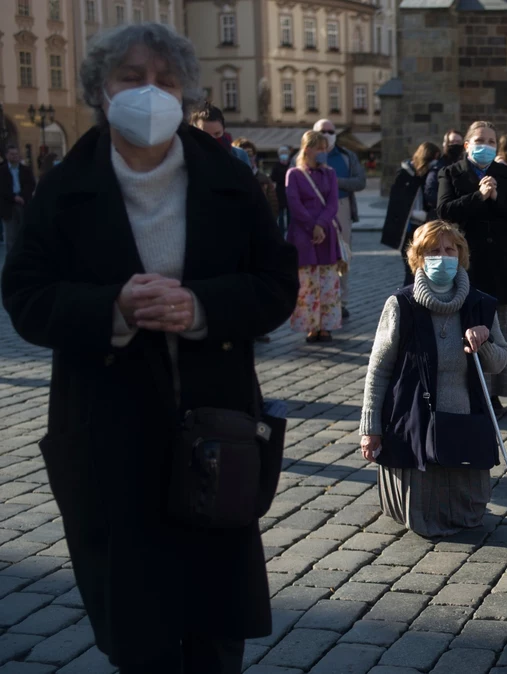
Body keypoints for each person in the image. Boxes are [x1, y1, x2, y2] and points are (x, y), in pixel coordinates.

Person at [1, 22, 298, 672]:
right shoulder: (63, 189)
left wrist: (202, 307)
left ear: (187, 92)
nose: (149, 93)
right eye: (131, 79)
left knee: (216, 635)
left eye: (164, 80)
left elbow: (277, 285)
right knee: (141, 638)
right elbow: (25, 296)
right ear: (100, 91)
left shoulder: (229, 178)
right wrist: (110, 308)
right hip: (110, 436)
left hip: (216, 435)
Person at [359, 220, 507, 536]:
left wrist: (483, 344)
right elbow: (379, 369)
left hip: (465, 420)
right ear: (418, 257)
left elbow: (499, 364)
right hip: (413, 422)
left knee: (466, 512)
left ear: (460, 254)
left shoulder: (480, 304)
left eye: (449, 249)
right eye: (433, 250)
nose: (442, 256)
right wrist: (370, 429)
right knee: (422, 511)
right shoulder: (400, 305)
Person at [437, 120, 507, 413]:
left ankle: (496, 394)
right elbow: (444, 211)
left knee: (500, 331)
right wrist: (479, 197)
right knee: (469, 329)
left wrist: (497, 197)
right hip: (470, 266)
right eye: (480, 140)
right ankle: (470, 393)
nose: (486, 145)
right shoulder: (451, 173)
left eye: (491, 141)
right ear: (467, 145)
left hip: (504, 267)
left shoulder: (506, 172)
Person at [286, 130, 344, 342]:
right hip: (304, 235)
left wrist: (321, 224)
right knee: (307, 282)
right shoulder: (294, 174)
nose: (323, 152)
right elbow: (295, 204)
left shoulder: (329, 174)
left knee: (328, 280)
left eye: (325, 148)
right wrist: (313, 226)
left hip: (325, 232)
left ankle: (326, 326)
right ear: (308, 149)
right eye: (319, 148)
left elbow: (332, 204)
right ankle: (311, 325)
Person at [312, 118, 367, 319]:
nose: (326, 134)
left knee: (343, 255)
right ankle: (317, 299)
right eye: (322, 131)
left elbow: (360, 181)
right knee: (315, 255)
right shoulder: (307, 155)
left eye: (330, 131)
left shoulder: (346, 156)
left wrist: (335, 181)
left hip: (341, 206)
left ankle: (341, 301)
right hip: (315, 210)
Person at [383, 142, 442, 286]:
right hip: (408, 229)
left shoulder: (427, 174)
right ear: (433, 156)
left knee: (421, 269)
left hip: (422, 228)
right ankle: (409, 301)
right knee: (412, 269)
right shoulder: (405, 174)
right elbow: (398, 204)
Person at [232, 138, 280, 222]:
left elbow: (273, 204)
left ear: (255, 156)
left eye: (250, 154)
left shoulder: (264, 179)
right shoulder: (231, 178)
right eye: (243, 154)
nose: (247, 158)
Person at [1, 145, 36, 246]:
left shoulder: (26, 170)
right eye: (12, 154)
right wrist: (13, 197)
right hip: (8, 206)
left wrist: (22, 196)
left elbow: (31, 184)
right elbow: (2, 188)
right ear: (7, 155)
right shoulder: (2, 171)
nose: (14, 156)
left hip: (24, 203)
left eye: (16, 154)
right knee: (10, 236)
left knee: (24, 233)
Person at [271, 145, 292, 232]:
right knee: (280, 214)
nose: (284, 155)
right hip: (280, 192)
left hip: (290, 191)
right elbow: (273, 177)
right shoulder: (276, 166)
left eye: (285, 153)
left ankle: (290, 230)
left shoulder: (291, 165)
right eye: (282, 153)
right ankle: (281, 231)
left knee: (289, 213)